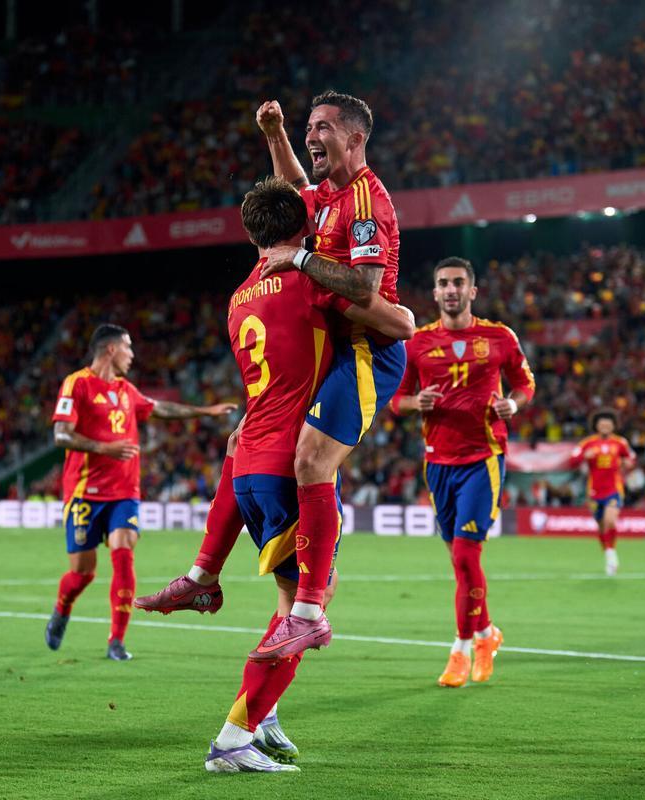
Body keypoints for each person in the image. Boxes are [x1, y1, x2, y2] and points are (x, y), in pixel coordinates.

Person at [137, 92, 407, 662]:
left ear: (357, 137)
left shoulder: (365, 201)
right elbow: (290, 201)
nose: (313, 136)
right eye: (310, 127)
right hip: (334, 336)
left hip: (364, 346)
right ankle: (203, 574)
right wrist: (276, 134)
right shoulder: (327, 194)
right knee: (243, 443)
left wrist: (303, 262)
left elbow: (365, 292)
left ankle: (308, 612)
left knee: (310, 461)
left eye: (324, 128)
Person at [199, 177, 414, 772]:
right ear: (306, 230)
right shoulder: (308, 282)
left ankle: (260, 716)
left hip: (251, 464)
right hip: (286, 467)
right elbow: (397, 327)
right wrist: (401, 314)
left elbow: (294, 190)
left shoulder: (243, 291)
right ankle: (232, 739)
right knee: (308, 604)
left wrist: (273, 136)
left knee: (287, 597)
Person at [44, 324, 236, 661]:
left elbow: (161, 408)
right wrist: (106, 448)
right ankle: (62, 608)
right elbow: (61, 435)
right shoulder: (77, 384)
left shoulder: (126, 390)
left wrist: (204, 412)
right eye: (129, 348)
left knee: (123, 550)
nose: (133, 355)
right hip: (85, 492)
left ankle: (116, 641)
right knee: (82, 573)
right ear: (111, 350)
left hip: (124, 493)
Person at [391, 256, 535, 688]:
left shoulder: (498, 337)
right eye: (443, 283)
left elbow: (525, 384)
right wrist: (416, 404)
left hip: (484, 457)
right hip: (438, 462)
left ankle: (461, 648)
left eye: (458, 283)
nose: (450, 290)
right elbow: (395, 399)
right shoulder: (415, 343)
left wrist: (514, 403)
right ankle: (488, 633)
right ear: (434, 293)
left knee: (467, 555)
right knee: (460, 561)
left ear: (472, 291)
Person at [570, 410, 635, 576]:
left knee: (610, 521)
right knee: (601, 527)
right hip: (594, 491)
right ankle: (608, 554)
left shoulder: (620, 442)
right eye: (602, 423)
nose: (605, 426)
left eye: (608, 423)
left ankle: (612, 554)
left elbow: (631, 458)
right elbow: (572, 460)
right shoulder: (587, 443)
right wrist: (585, 456)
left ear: (613, 425)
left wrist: (628, 463)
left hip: (614, 489)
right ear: (596, 426)